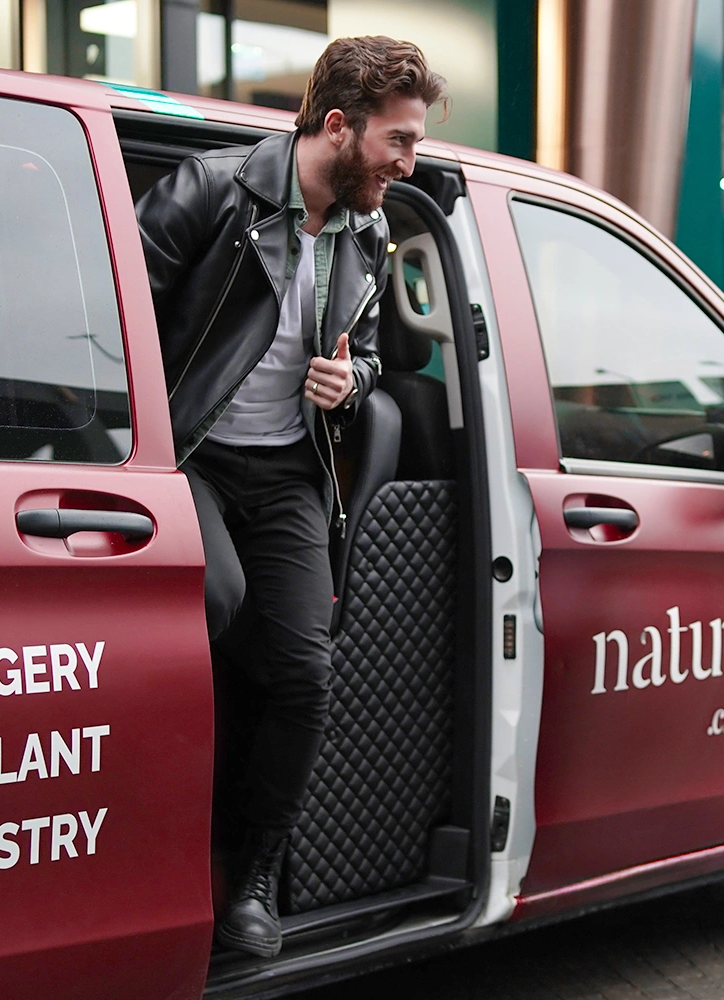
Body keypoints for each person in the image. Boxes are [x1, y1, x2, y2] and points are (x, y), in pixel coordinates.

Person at [136, 37, 446, 958]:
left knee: (306, 672)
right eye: (398, 142)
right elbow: (119, 322)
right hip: (187, 453)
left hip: (287, 471)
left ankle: (252, 874)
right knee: (221, 606)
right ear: (339, 126)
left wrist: (352, 389)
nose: (408, 162)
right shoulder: (212, 190)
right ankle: (161, 848)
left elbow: (378, 356)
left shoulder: (369, 231)